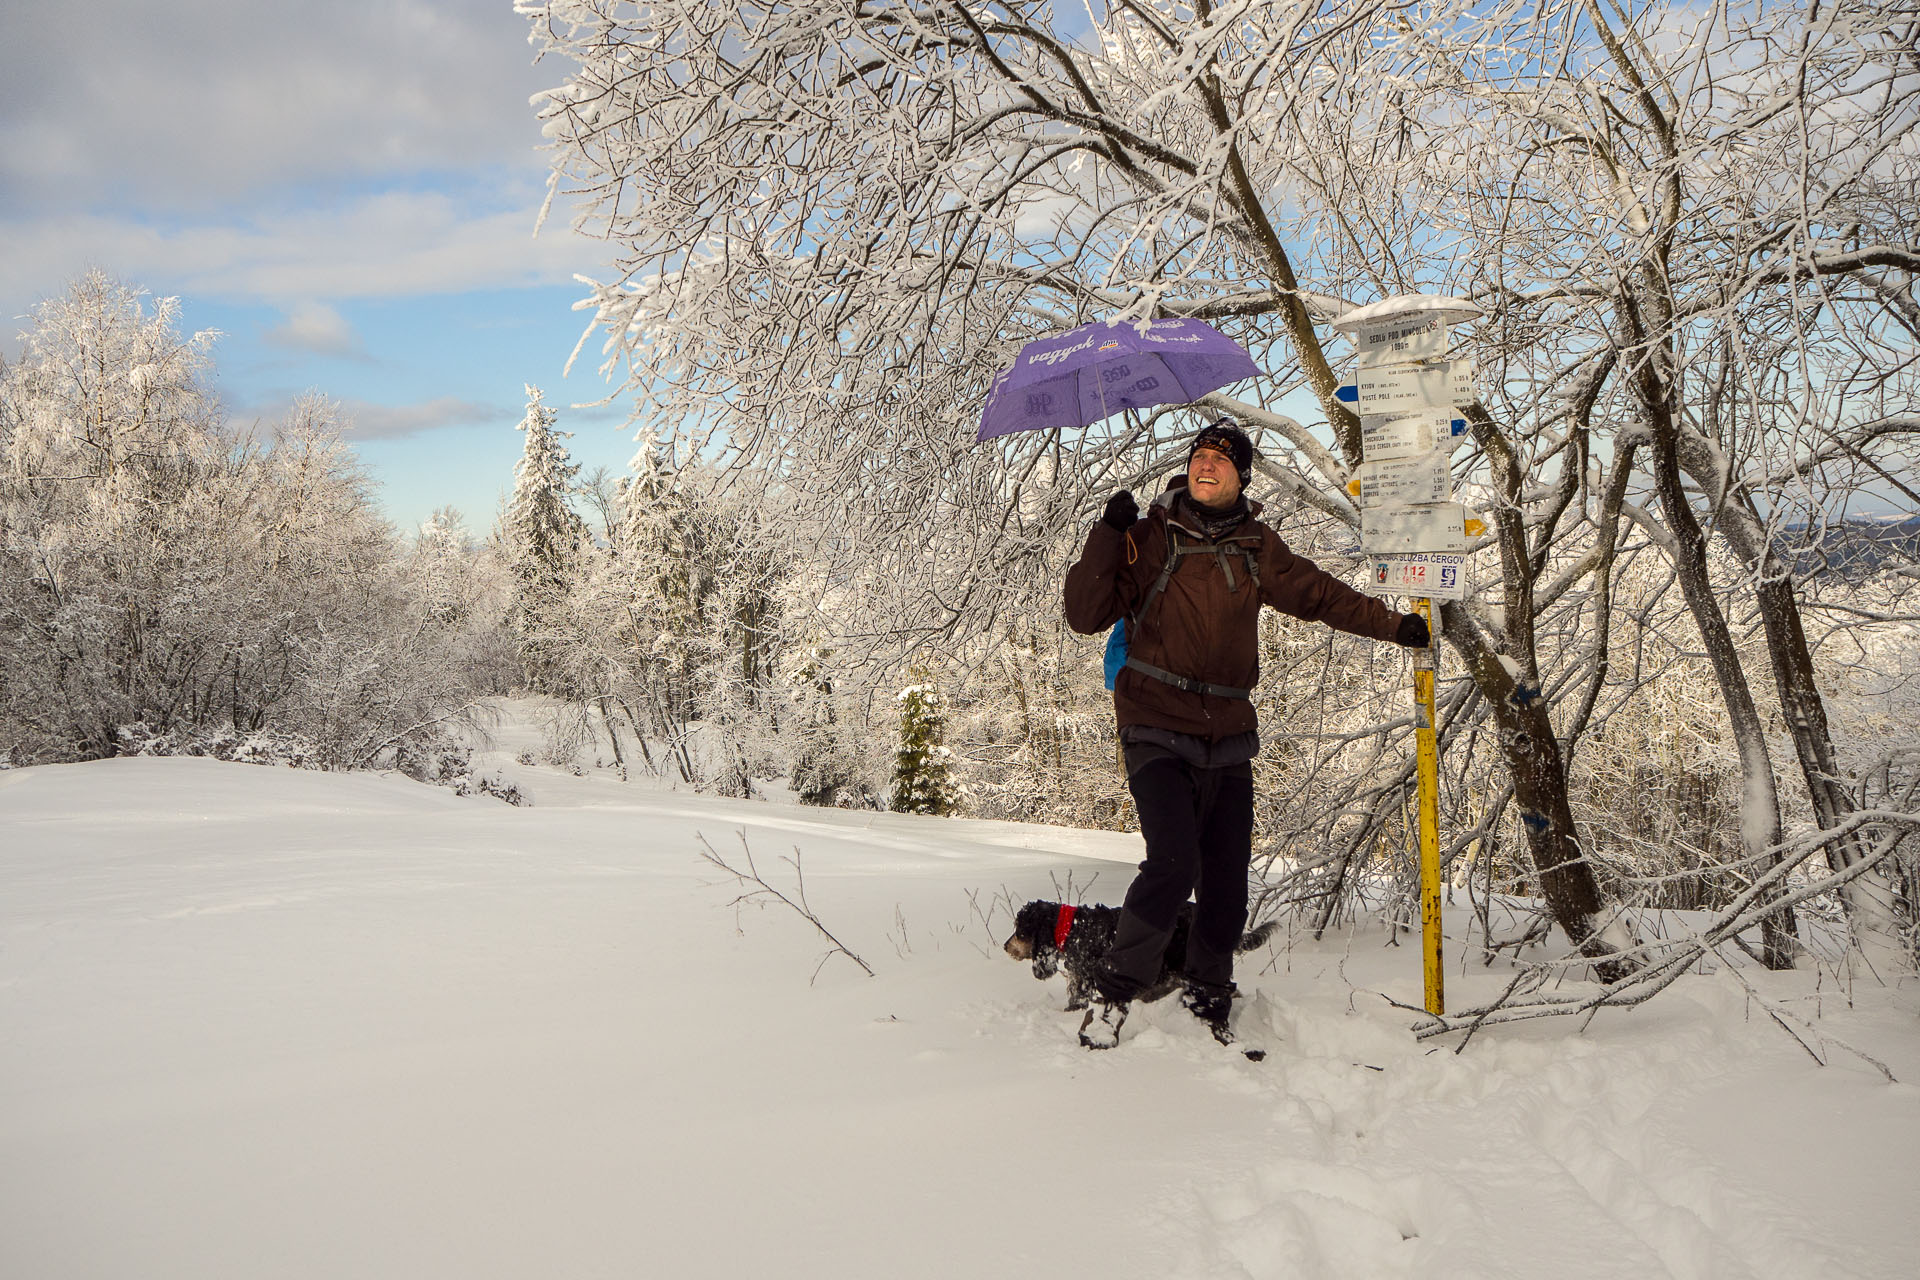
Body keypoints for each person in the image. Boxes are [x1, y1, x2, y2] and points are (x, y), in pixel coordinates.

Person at [1063, 419, 1430, 1049]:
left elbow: (1320, 595)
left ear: (1242, 475)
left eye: (1221, 459)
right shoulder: (1149, 536)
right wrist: (1108, 534)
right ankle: (1117, 989)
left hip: (1227, 732)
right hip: (1154, 723)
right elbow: (1083, 614)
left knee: (1228, 883)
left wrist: (1394, 625)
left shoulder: (1257, 546)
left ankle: (1209, 993)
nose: (1206, 465)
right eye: (1199, 456)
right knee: (1174, 861)